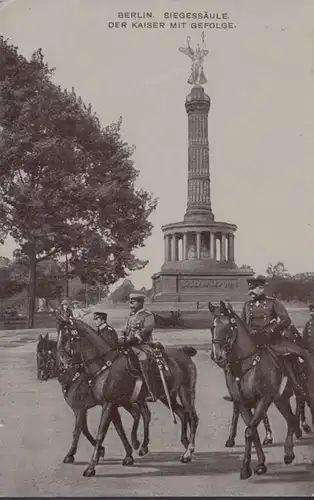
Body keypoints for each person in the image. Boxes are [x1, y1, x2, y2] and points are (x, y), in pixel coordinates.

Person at [241, 275, 314, 392]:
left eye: (253, 289)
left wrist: (271, 330)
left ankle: (298, 385)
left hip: (271, 340)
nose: (251, 292)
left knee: (292, 355)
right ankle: (238, 391)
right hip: (254, 341)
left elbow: (286, 320)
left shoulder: (272, 303)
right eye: (249, 289)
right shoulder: (247, 305)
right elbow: (244, 324)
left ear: (261, 288)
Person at [118, 291, 156, 402]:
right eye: (130, 302)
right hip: (129, 344)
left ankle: (151, 391)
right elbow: (124, 329)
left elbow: (146, 330)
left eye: (133, 302)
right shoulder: (131, 315)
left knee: (143, 357)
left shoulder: (148, 315)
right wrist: (121, 337)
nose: (131, 304)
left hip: (143, 345)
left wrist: (132, 339)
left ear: (140, 303)